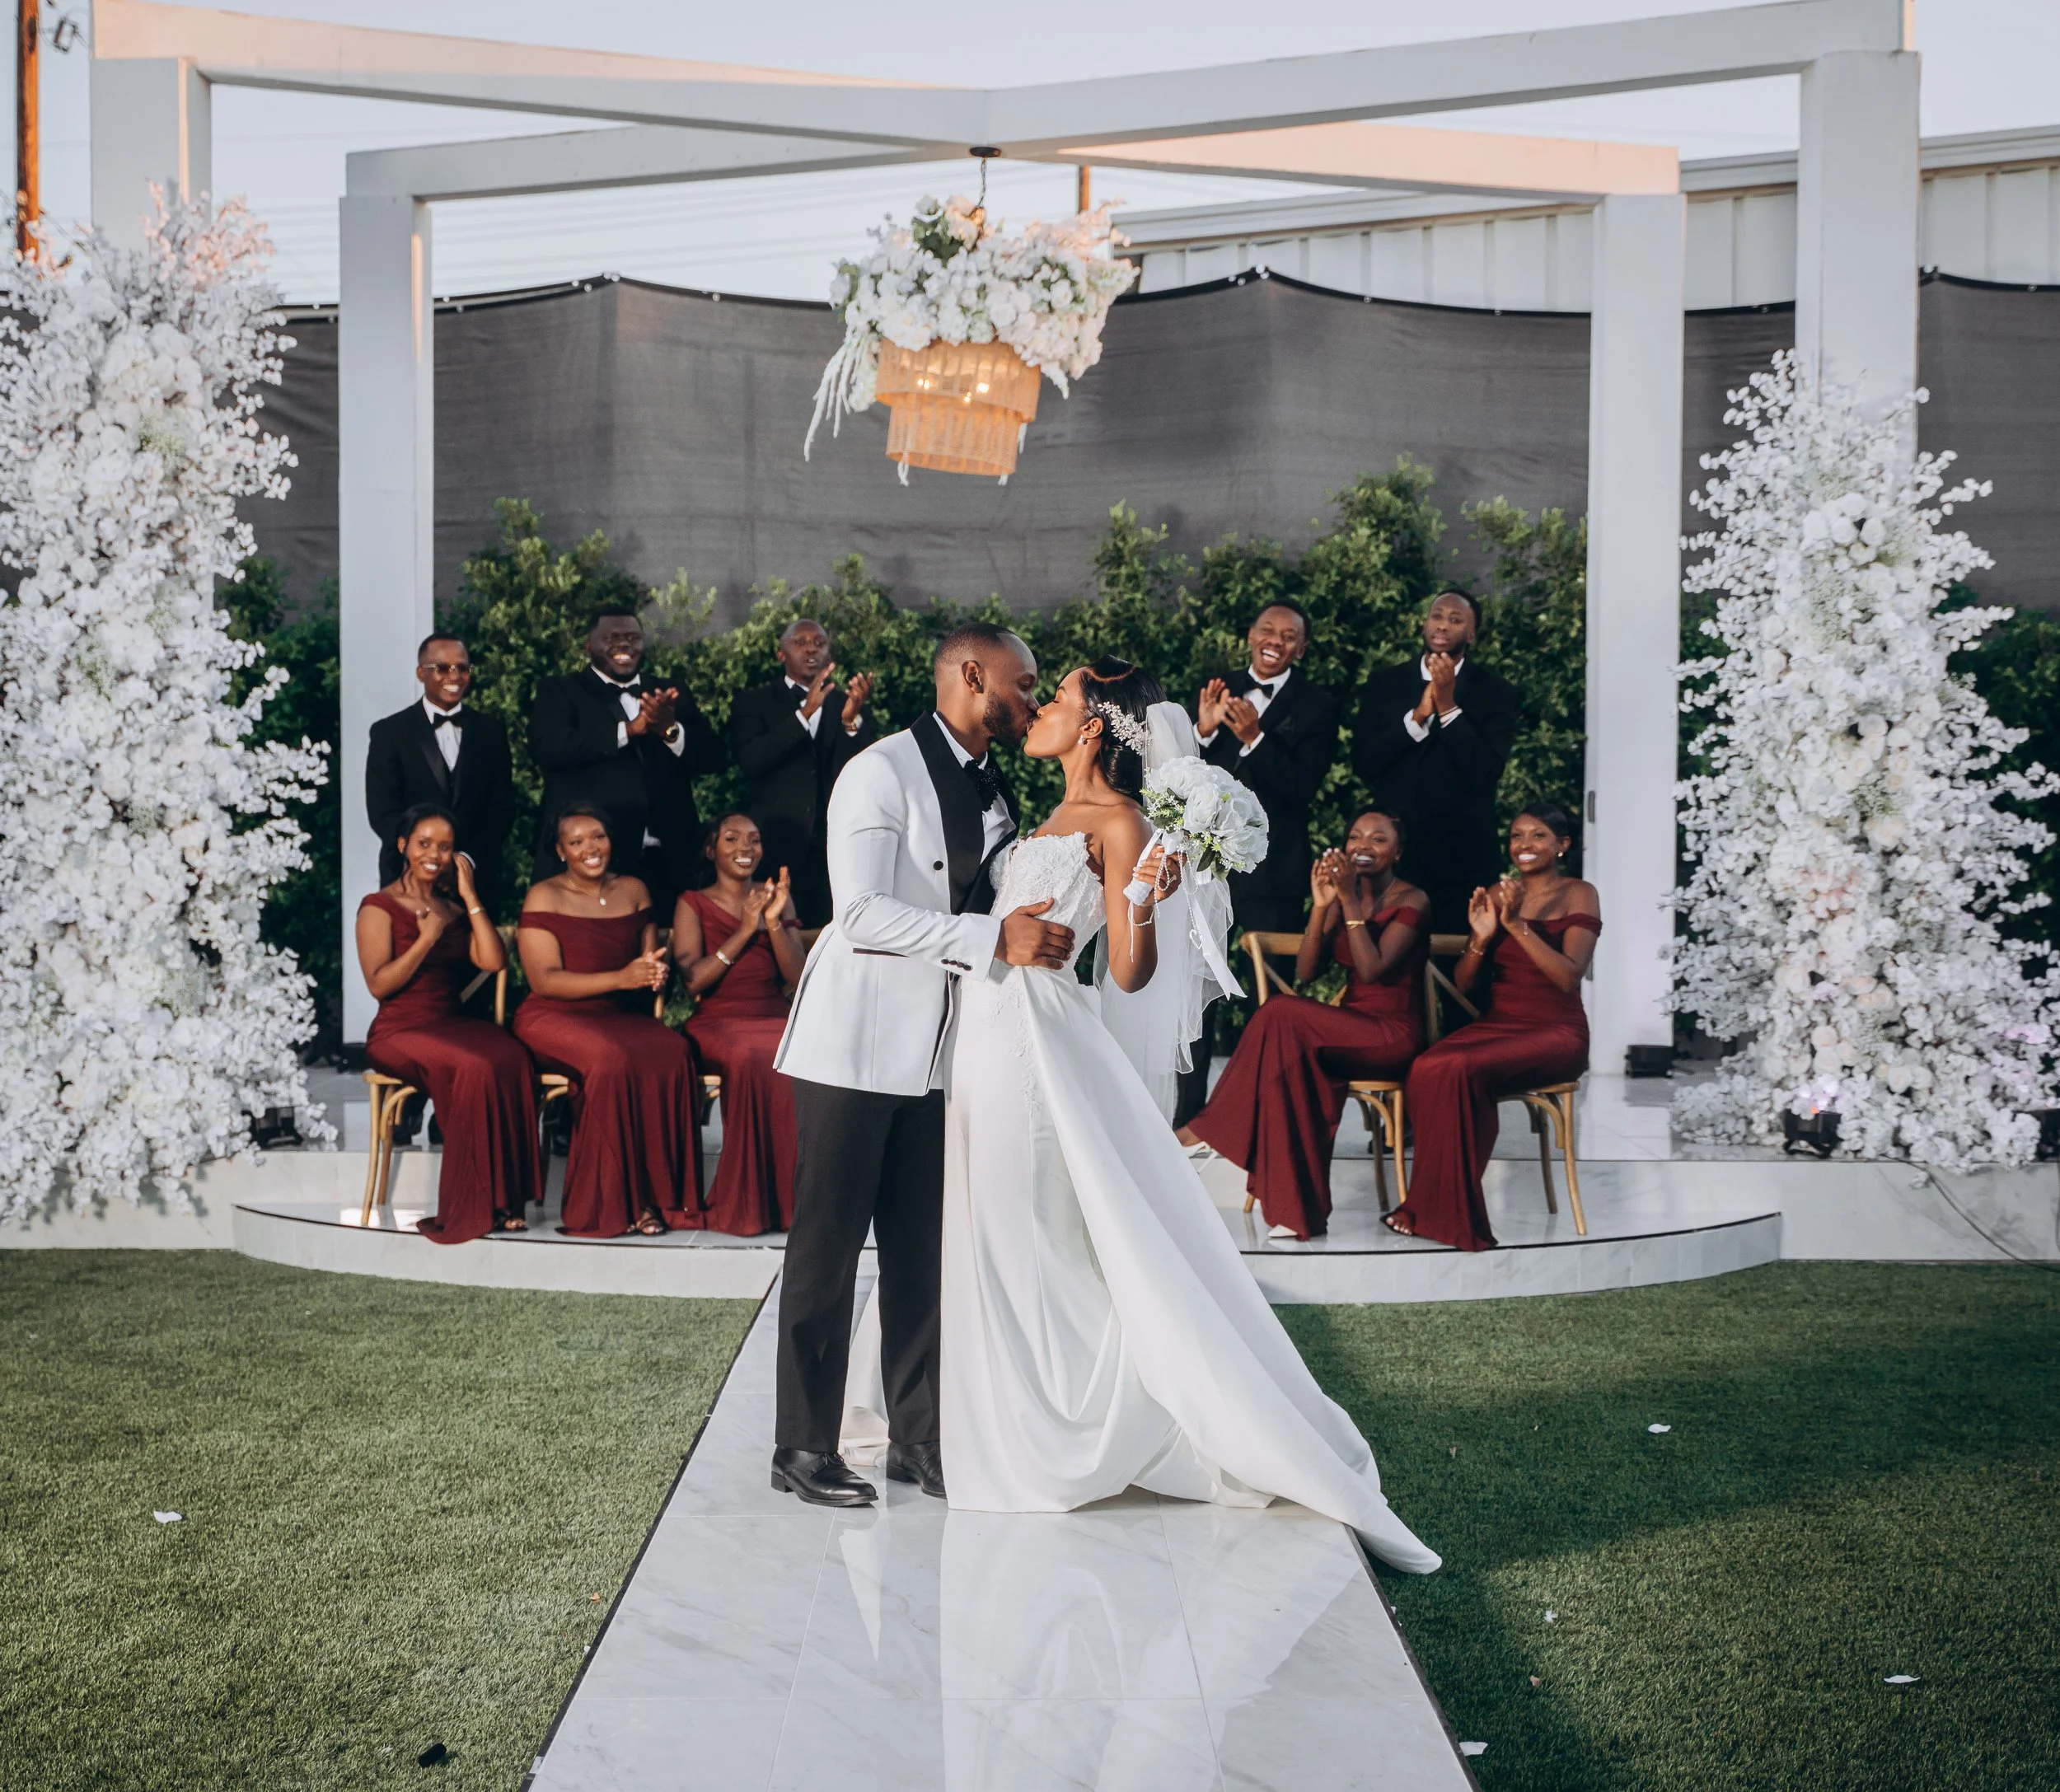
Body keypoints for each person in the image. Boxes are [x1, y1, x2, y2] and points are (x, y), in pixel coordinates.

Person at [843, 658, 1438, 1574]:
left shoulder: (1120, 822)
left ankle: (1063, 1423)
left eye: (1057, 699)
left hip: (1031, 1040)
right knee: (988, 1222)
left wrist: (1143, 902)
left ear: (1094, 728)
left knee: (1028, 1229)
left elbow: (1125, 971)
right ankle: (984, 1408)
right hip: (982, 1027)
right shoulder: (1038, 814)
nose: (1037, 709)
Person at [769, 621, 1066, 1510]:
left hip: (941, 1054)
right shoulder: (879, 771)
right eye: (1024, 685)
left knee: (920, 1254)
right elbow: (858, 914)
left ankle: (919, 1439)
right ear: (972, 676)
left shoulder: (996, 784)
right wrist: (989, 939)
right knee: (825, 1251)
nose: (1034, 701)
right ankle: (802, 1446)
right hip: (852, 1048)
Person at [1178, 810, 1428, 1241]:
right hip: (1349, 1029)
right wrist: (1322, 906)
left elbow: (1371, 971)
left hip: (1391, 1035)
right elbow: (1308, 973)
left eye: (1378, 839)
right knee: (1285, 1061)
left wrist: (1348, 899)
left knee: (1279, 1013)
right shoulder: (1341, 896)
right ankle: (1296, 1215)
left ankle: (1207, 1129)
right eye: (1355, 837)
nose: (1363, 847)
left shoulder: (1412, 900)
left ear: (1398, 851)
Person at [1389, 805, 1601, 1252]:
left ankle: (1433, 1211)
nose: (1524, 845)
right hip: (1499, 1026)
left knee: (1458, 1066)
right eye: (1517, 835)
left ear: (1562, 845)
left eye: (1539, 836)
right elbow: (1465, 983)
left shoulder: (1579, 893)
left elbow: (1567, 976)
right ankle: (1438, 1206)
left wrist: (1516, 925)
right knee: (1428, 1066)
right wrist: (1482, 938)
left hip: (1556, 1032)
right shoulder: (1496, 893)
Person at [1181, 600, 1341, 1124]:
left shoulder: (1318, 705)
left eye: (1289, 635)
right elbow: (1181, 779)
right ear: (1250, 634)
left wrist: (1255, 738)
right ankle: (1188, 1115)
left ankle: (1265, 1115)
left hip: (1274, 875)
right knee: (1198, 988)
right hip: (1206, 868)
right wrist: (1202, 733)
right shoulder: (1217, 687)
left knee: (1268, 996)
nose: (1276, 640)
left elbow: (1302, 790)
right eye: (1267, 629)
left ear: (1302, 646)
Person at [514, 802, 705, 1238]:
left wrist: (652, 974)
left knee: (672, 1051)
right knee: (611, 1060)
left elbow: (647, 964)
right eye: (576, 841)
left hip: (616, 1014)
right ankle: (615, 1206)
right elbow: (544, 981)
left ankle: (663, 1198)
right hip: (552, 1014)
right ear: (561, 850)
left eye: (597, 836)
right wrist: (623, 977)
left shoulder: (635, 889)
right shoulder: (544, 895)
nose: (590, 848)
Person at [354, 803, 539, 1242]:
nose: (434, 853)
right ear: (403, 846)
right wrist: (427, 939)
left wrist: (470, 897)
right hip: (400, 1030)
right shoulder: (378, 907)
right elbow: (379, 986)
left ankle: (506, 1201)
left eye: (445, 846)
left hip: (449, 1022)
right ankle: (474, 1205)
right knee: (474, 1067)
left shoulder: (454, 909)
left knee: (511, 1055)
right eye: (424, 844)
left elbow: (493, 961)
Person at [528, 610, 724, 910]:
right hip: (598, 860)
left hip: (669, 858)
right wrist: (628, 730)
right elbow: (549, 748)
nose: (624, 645)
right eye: (611, 638)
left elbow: (713, 758)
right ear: (588, 646)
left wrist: (670, 730)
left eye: (633, 638)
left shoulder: (670, 692)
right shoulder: (560, 691)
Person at [1352, 590, 1520, 933]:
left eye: (1455, 619)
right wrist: (1417, 719)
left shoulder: (1497, 692)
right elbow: (1365, 763)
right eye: (1437, 616)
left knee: (1456, 960)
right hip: (1393, 857)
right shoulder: (1385, 683)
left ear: (1471, 634)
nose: (1443, 625)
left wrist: (1447, 707)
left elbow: (1485, 772)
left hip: (1462, 854)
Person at [672, 815, 808, 1237]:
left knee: (805, 1048)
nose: (744, 846)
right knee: (755, 1057)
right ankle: (749, 1203)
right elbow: (694, 979)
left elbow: (796, 976)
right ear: (711, 850)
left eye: (754, 838)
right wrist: (746, 930)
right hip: (718, 1019)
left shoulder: (778, 898)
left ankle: (800, 1201)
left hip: (774, 1012)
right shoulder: (691, 902)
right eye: (731, 838)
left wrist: (770, 921)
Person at [728, 618, 877, 928]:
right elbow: (752, 761)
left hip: (834, 846)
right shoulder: (753, 702)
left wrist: (850, 722)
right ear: (781, 654)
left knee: (831, 932)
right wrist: (804, 714)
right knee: (777, 931)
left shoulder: (850, 704)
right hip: (776, 843)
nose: (811, 648)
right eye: (800, 642)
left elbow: (863, 771)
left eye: (819, 643)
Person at [364, 634, 516, 915]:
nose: (455, 676)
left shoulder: (491, 731)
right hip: (405, 877)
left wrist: (465, 861)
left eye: (463, 668)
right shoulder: (389, 732)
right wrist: (427, 860)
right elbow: (383, 812)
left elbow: (501, 808)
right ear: (421, 673)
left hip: (475, 877)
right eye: (443, 668)